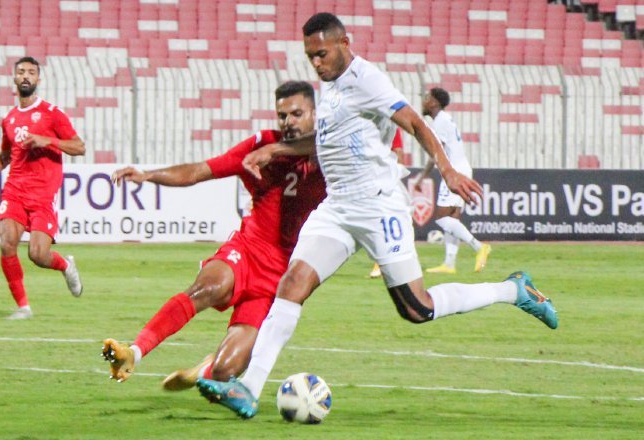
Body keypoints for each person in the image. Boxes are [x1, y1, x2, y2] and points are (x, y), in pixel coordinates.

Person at [196, 13, 559, 419]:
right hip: (338, 208)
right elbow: (327, 141)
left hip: (378, 206)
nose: (316, 63)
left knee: (416, 308)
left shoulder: (366, 80)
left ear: (344, 42)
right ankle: (247, 388)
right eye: (309, 56)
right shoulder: (330, 86)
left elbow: (414, 122)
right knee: (293, 282)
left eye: (322, 54)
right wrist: (277, 150)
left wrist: (447, 170)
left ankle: (515, 290)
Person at [100, 81, 326, 390]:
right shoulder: (260, 147)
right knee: (208, 287)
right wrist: (149, 175)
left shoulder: (330, 152)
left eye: (297, 114)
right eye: (282, 116)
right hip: (247, 250)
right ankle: (133, 353)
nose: (288, 122)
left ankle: (206, 368)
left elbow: (348, 142)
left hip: (281, 275)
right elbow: (199, 171)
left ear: (315, 113)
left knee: (225, 372)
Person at [0, 56, 85, 320]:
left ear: (38, 79)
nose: (26, 76)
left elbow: (79, 147)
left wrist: (45, 140)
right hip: (14, 190)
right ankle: (23, 307)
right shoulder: (10, 119)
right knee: (6, 243)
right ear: (14, 79)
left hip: (42, 195)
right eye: (21, 72)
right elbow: (4, 157)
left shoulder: (52, 113)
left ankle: (65, 265)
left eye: (31, 72)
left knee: (37, 254)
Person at [414, 87, 491, 274]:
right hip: (463, 168)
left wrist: (422, 177)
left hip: (455, 171)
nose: (424, 101)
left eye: (427, 98)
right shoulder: (445, 120)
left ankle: (479, 247)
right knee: (453, 218)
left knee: (442, 218)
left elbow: (435, 154)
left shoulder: (439, 122)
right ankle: (449, 264)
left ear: (434, 102)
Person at [369, 127, 405, 278]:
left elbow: (398, 154)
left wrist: (392, 177)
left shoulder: (390, 125)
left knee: (383, 220)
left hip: (385, 181)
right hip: (371, 180)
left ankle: (384, 262)